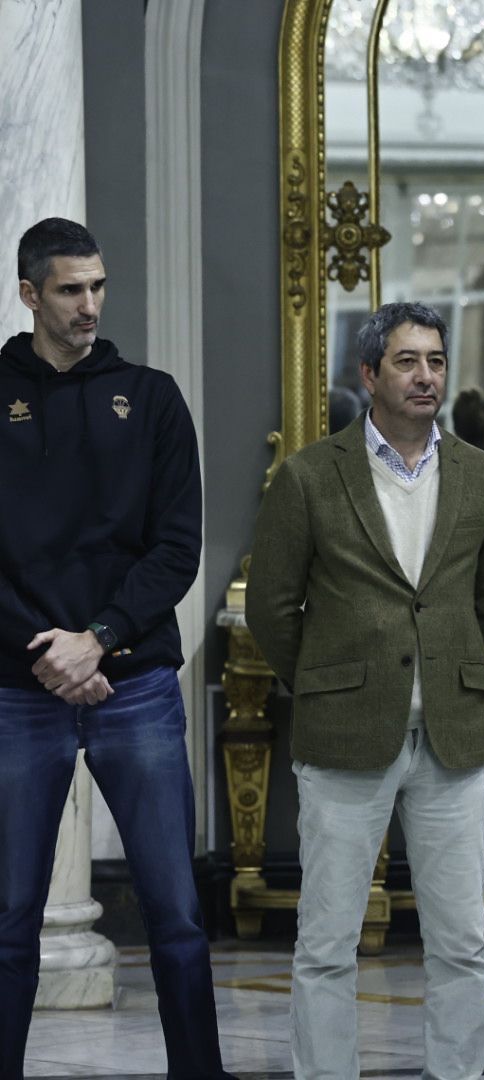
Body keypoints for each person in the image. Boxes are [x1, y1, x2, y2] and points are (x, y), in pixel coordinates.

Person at [245, 301, 484, 1079]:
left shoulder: (479, 472)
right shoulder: (307, 475)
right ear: (369, 375)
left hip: (452, 740)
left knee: (461, 942)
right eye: (407, 361)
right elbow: (271, 607)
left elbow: (481, 600)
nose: (426, 375)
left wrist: (441, 660)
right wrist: (330, 683)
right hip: (344, 739)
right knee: (327, 944)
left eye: (435, 360)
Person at [0, 218, 232, 1080]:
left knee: (174, 911)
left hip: (132, 683)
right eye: (69, 289)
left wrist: (94, 643)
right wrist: (50, 654)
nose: (89, 304)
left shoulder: (153, 395)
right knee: (10, 914)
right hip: (19, 687)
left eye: (97, 286)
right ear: (30, 294)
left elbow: (177, 546)